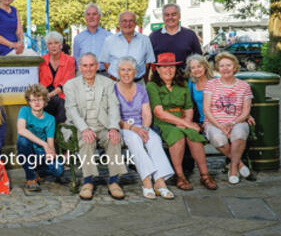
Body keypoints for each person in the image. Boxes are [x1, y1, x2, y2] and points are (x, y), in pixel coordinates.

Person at [146, 53, 217, 191]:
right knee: (177, 135)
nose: (169, 70)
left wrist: (186, 122)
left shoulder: (182, 84)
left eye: (172, 67)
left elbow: (189, 107)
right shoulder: (152, 85)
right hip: (163, 123)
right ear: (157, 69)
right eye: (164, 67)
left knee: (193, 135)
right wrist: (186, 124)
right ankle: (180, 176)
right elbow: (159, 113)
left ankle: (205, 175)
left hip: (183, 120)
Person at [64, 53, 127, 200]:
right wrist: (84, 129)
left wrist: (113, 127)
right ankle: (88, 181)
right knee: (87, 140)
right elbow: (72, 111)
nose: (88, 69)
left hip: (103, 125)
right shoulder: (70, 85)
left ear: (97, 66)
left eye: (91, 65)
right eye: (85, 66)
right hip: (80, 126)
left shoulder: (107, 83)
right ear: (79, 67)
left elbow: (113, 107)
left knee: (114, 139)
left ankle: (113, 181)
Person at [114, 57, 174, 199]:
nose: (126, 73)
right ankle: (147, 181)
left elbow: (147, 114)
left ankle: (160, 182)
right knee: (134, 140)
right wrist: (134, 129)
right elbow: (113, 117)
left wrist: (145, 130)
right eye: (123, 70)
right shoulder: (112, 89)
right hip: (122, 127)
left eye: (130, 70)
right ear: (118, 72)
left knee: (154, 139)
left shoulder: (141, 89)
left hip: (141, 126)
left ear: (135, 72)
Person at [203, 52, 253, 184]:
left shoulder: (244, 86)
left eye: (228, 65)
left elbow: (246, 111)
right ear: (218, 68)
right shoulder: (211, 84)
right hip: (214, 122)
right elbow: (206, 110)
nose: (225, 68)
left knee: (240, 133)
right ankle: (239, 164)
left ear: (235, 67)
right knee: (218, 138)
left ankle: (233, 169)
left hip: (237, 121)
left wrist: (232, 123)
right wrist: (220, 126)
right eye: (222, 66)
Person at [16, 84, 66, 192]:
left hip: (41, 153)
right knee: (22, 140)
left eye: (40, 99)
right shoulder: (24, 111)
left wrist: (51, 153)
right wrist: (44, 144)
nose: (37, 103)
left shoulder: (50, 119)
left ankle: (39, 171)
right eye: (33, 100)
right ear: (29, 102)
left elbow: (50, 143)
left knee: (59, 170)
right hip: (26, 151)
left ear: (45, 101)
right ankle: (31, 178)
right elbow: (21, 130)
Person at [100, 11, 155, 84]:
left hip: (138, 84)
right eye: (124, 21)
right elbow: (106, 63)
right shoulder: (109, 40)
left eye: (131, 21)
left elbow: (147, 63)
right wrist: (114, 77)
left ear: (135, 23)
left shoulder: (145, 40)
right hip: (115, 84)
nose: (128, 24)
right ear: (119, 23)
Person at [149, 4, 202, 70]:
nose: (170, 17)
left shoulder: (190, 35)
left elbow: (199, 59)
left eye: (174, 14)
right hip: (160, 79)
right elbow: (148, 62)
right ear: (163, 17)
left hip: (185, 78)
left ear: (179, 16)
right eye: (167, 15)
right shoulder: (153, 36)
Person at [38, 31, 76, 124]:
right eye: (50, 44)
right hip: (44, 96)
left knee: (59, 105)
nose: (53, 46)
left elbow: (67, 82)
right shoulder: (41, 60)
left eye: (56, 43)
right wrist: (44, 96)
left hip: (61, 96)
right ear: (47, 46)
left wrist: (50, 95)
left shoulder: (70, 60)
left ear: (61, 45)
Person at [72, 4, 111, 71]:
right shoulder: (78, 38)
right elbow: (76, 61)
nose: (91, 17)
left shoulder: (109, 37)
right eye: (88, 14)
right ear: (85, 17)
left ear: (99, 16)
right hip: (84, 75)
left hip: (104, 75)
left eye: (94, 14)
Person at [185, 54, 215, 124]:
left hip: (220, 118)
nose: (196, 70)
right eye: (193, 68)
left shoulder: (215, 81)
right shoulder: (191, 84)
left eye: (199, 66)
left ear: (205, 67)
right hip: (203, 121)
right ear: (190, 71)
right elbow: (188, 104)